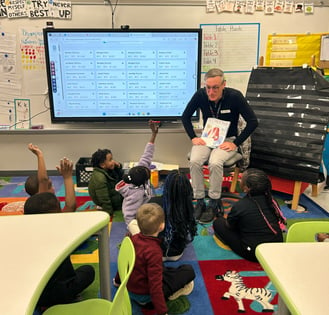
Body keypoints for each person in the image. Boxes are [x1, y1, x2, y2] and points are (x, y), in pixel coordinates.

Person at [182, 68, 258, 223]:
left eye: (215, 87)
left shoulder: (235, 96)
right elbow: (185, 116)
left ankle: (214, 201)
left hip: (228, 140)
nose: (211, 92)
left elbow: (253, 122)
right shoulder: (200, 95)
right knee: (195, 160)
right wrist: (193, 138)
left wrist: (235, 143)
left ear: (224, 84)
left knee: (215, 162)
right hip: (207, 139)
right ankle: (199, 200)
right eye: (208, 87)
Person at [24, 192, 95, 308]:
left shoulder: (25, 236)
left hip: (32, 294)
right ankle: (59, 301)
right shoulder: (59, 234)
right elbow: (71, 206)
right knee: (88, 271)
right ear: (56, 213)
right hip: (59, 292)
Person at [123, 203, 195, 315]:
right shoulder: (154, 251)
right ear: (162, 226)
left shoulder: (133, 239)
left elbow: (124, 262)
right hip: (146, 298)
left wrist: (118, 282)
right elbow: (155, 286)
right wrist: (162, 312)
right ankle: (169, 296)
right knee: (188, 271)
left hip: (130, 289)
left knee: (166, 270)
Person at [212, 168, 286, 262]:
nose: (240, 181)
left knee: (218, 223)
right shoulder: (272, 201)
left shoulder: (241, 206)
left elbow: (229, 226)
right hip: (276, 247)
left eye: (241, 179)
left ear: (247, 188)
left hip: (254, 253)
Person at [115, 120, 159, 234]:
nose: (148, 168)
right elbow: (129, 215)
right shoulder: (135, 194)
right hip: (140, 215)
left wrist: (154, 134)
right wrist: (134, 230)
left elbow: (147, 155)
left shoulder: (138, 173)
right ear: (142, 182)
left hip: (147, 201)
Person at [156, 170, 198, 261]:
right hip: (177, 254)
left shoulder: (154, 204)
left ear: (166, 186)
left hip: (157, 254)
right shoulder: (188, 207)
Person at [24, 143, 76, 212]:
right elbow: (70, 206)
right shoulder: (47, 205)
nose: (53, 188)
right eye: (49, 186)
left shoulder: (30, 207)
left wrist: (40, 155)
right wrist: (67, 177)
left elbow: (43, 181)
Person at [88, 147, 124, 215]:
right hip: (109, 202)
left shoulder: (108, 169)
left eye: (112, 159)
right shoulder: (99, 178)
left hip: (113, 193)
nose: (113, 161)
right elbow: (104, 198)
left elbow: (120, 177)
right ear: (102, 165)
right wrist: (109, 212)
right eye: (110, 160)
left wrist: (118, 167)